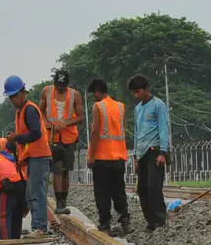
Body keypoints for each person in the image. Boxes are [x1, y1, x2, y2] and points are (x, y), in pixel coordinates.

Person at [3, 74, 51, 238]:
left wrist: (16, 138)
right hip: (32, 157)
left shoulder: (29, 109)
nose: (13, 99)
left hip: (39, 156)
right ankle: (37, 226)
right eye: (11, 97)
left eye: (16, 95)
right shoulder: (21, 111)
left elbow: (36, 133)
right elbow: (25, 136)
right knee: (31, 193)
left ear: (23, 92)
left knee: (36, 193)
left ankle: (40, 228)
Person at [86, 79, 132, 235]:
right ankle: (125, 220)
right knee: (119, 191)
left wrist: (91, 156)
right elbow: (123, 129)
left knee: (102, 192)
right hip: (119, 157)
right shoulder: (120, 107)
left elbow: (95, 132)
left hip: (102, 158)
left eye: (94, 94)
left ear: (98, 92)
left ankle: (105, 225)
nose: (94, 97)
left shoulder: (98, 107)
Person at [38, 69, 84, 214]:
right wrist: (46, 124)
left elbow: (80, 117)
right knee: (57, 170)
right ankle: (59, 202)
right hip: (52, 138)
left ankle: (64, 199)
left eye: (62, 86)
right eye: (58, 85)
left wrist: (66, 124)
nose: (59, 88)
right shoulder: (46, 91)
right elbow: (40, 111)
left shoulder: (75, 95)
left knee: (66, 171)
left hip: (69, 137)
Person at [129, 74, 170, 232]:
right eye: (134, 92)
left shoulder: (158, 105)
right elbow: (137, 132)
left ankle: (160, 219)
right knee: (142, 189)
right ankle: (150, 221)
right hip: (142, 153)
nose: (136, 95)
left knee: (154, 187)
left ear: (147, 89)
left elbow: (164, 129)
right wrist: (136, 157)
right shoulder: (138, 108)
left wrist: (162, 153)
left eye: (138, 91)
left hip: (154, 151)